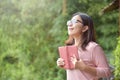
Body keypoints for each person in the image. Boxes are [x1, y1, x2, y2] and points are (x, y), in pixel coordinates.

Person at [56, 12, 111, 80]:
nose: (70, 24)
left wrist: (85, 68)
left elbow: (107, 72)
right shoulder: (69, 48)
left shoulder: (93, 47)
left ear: (84, 28)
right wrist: (62, 64)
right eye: (70, 21)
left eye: (75, 21)